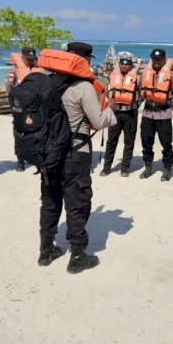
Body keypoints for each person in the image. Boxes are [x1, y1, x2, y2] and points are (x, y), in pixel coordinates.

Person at [39, 42, 117, 273]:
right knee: (77, 202)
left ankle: (46, 250)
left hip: (48, 153)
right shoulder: (83, 87)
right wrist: (110, 107)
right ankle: (78, 255)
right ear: (85, 61)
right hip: (76, 152)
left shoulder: (45, 83)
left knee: (50, 201)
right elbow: (98, 121)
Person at [139, 48, 173, 181]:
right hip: (147, 114)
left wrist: (168, 107)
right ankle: (148, 167)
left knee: (166, 143)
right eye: (154, 59)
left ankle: (168, 169)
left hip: (164, 115)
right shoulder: (145, 73)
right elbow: (141, 90)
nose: (156, 61)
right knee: (146, 143)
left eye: (159, 59)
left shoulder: (171, 75)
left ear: (164, 60)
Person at [100, 53, 140, 177]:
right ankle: (106, 168)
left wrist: (134, 105)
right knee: (111, 141)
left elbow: (141, 95)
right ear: (119, 64)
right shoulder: (111, 77)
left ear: (130, 65)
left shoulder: (137, 78)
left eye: (127, 64)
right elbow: (107, 92)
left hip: (130, 114)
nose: (124, 65)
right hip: (115, 112)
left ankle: (125, 168)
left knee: (129, 142)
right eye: (122, 63)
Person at [6, 47, 43, 171]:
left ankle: (35, 157)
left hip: (35, 109)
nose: (30, 62)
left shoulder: (38, 71)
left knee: (37, 133)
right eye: (28, 59)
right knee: (19, 134)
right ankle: (20, 160)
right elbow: (10, 89)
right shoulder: (14, 71)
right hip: (20, 109)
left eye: (32, 59)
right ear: (22, 58)